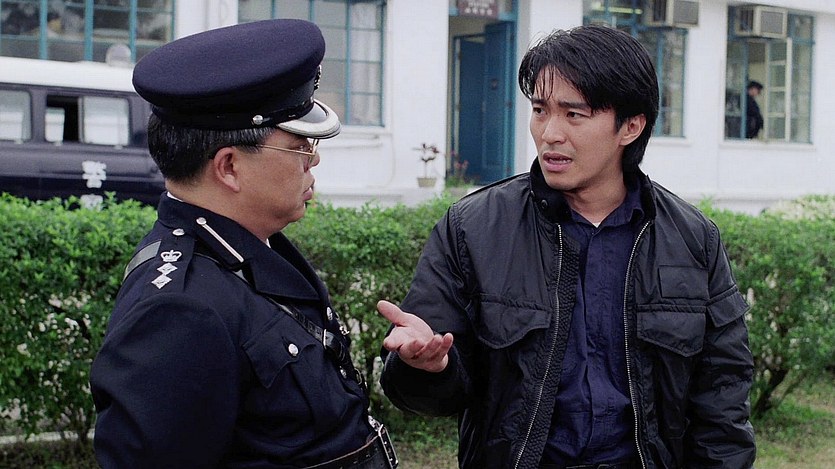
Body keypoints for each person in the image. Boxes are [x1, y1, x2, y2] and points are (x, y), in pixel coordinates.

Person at [378, 24, 756, 469]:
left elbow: (722, 401)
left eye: (574, 115)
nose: (550, 133)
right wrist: (427, 368)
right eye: (540, 110)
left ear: (630, 126)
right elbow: (432, 390)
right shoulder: (473, 229)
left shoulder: (692, 240)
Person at [90, 19, 397, 469]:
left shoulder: (250, 246)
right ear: (229, 167)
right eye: (299, 146)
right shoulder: (179, 310)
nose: (314, 158)